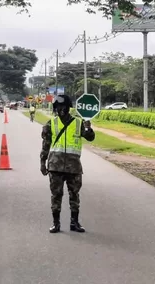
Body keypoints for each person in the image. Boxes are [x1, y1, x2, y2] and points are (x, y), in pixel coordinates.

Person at [40, 95, 95, 233]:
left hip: (74, 167)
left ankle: (74, 223)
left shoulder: (78, 123)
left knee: (74, 195)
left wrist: (88, 127)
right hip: (55, 166)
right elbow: (45, 145)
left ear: (68, 107)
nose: (60, 110)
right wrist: (42, 162)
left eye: (63, 107)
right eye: (58, 107)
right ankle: (56, 224)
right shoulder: (50, 124)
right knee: (56, 195)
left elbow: (90, 137)